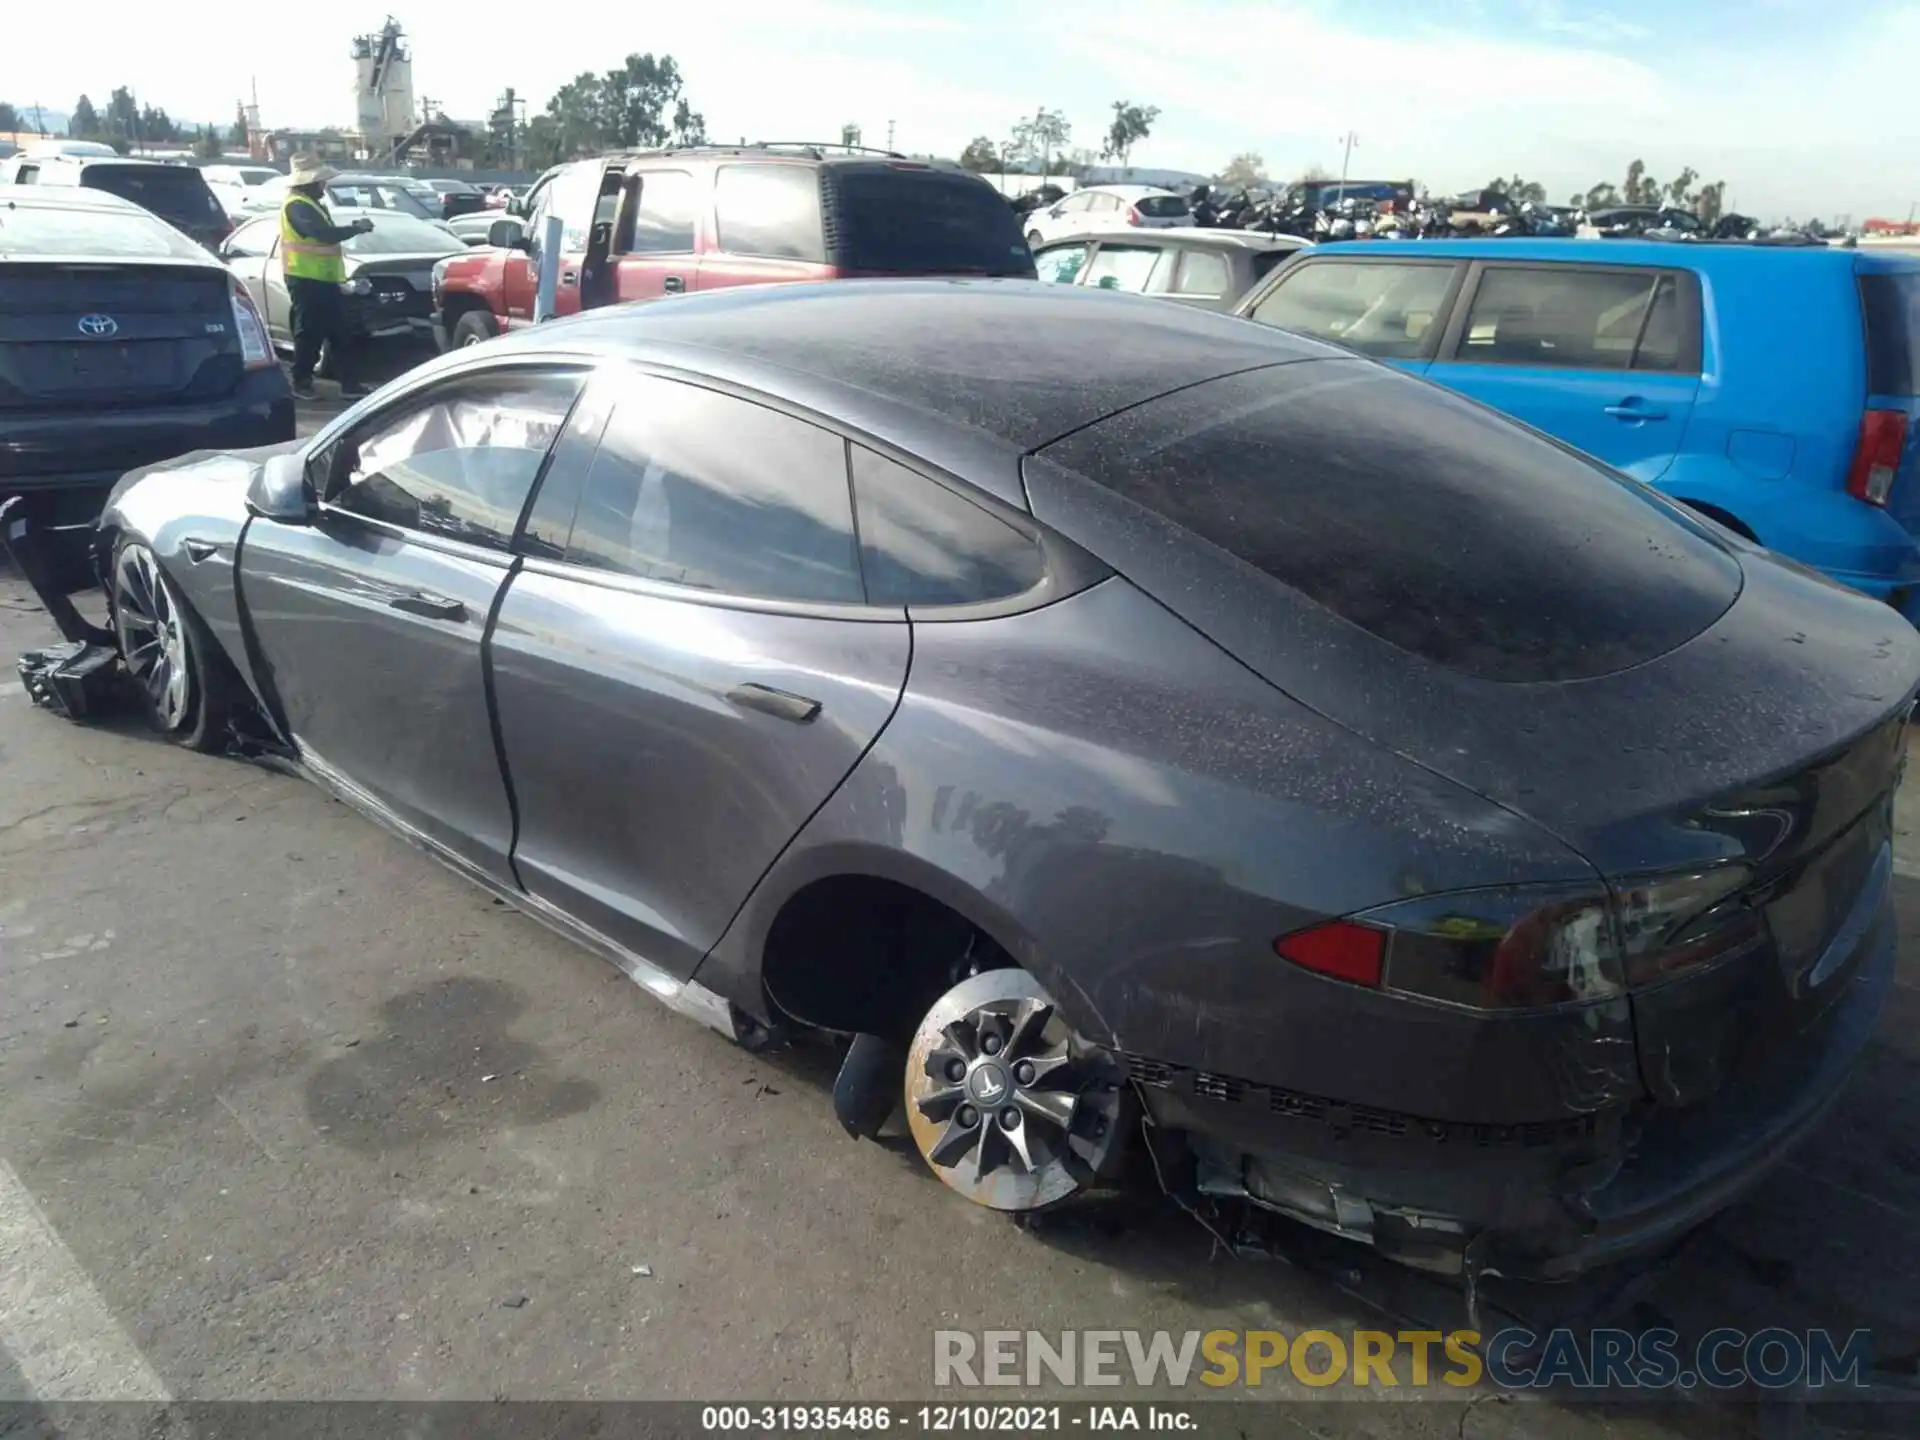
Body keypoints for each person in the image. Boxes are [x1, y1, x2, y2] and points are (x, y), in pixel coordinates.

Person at [279, 158, 374, 399]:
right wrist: (356, 228)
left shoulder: (311, 204)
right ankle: (301, 381)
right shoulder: (297, 205)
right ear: (308, 182)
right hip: (305, 279)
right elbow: (322, 235)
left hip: (324, 279)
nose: (323, 186)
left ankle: (349, 384)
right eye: (320, 181)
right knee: (309, 333)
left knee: (340, 332)